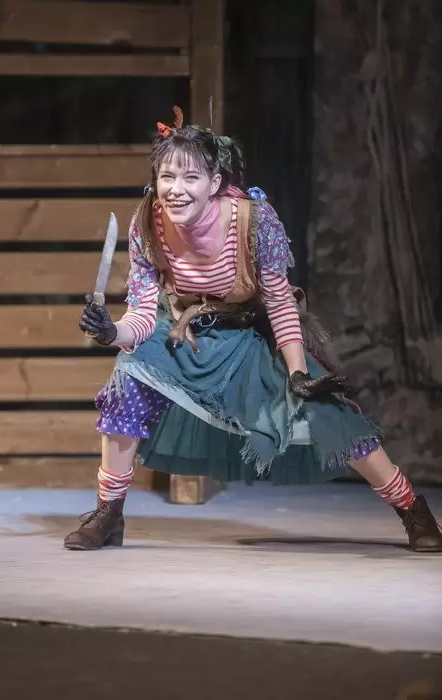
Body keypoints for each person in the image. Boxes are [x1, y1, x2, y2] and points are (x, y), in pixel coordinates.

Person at [64, 106, 442, 553]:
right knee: (127, 381)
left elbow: (280, 302)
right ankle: (108, 513)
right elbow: (144, 314)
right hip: (184, 334)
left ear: (214, 183)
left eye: (190, 178)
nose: (176, 190)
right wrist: (113, 332)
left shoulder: (252, 220)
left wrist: (297, 373)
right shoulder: (148, 222)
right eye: (167, 177)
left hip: (246, 335)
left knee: (330, 416)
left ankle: (411, 508)